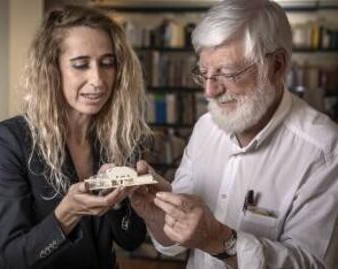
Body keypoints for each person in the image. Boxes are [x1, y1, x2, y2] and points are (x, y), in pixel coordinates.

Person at [131, 0, 338, 268]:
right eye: (204, 74)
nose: (209, 91)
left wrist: (218, 240)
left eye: (227, 74)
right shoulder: (205, 127)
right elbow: (175, 243)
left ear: (277, 66)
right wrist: (158, 215)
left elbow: (312, 264)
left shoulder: (324, 150)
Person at [0, 5, 151, 269]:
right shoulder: (10, 140)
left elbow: (132, 240)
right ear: (52, 69)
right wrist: (66, 214)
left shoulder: (122, 137)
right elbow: (12, 259)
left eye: (107, 64)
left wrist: (120, 203)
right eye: (81, 65)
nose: (97, 80)